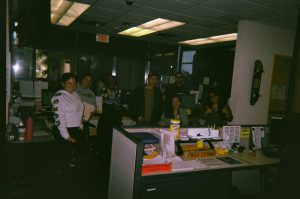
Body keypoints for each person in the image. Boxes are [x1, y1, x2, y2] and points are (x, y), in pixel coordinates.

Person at [51, 72, 87, 168]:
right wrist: (66, 136)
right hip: (64, 130)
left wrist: (80, 126)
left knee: (80, 154)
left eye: (74, 83)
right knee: (64, 159)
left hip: (75, 129)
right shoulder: (60, 97)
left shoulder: (75, 94)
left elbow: (78, 112)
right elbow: (59, 118)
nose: (72, 85)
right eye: (69, 83)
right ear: (63, 84)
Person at [97, 75, 122, 160]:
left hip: (114, 116)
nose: (110, 81)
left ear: (115, 81)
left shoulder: (118, 90)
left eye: (112, 79)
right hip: (106, 115)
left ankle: (112, 155)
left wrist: (116, 105)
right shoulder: (104, 89)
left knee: (113, 136)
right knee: (104, 136)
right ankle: (103, 155)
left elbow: (118, 103)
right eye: (109, 79)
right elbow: (99, 100)